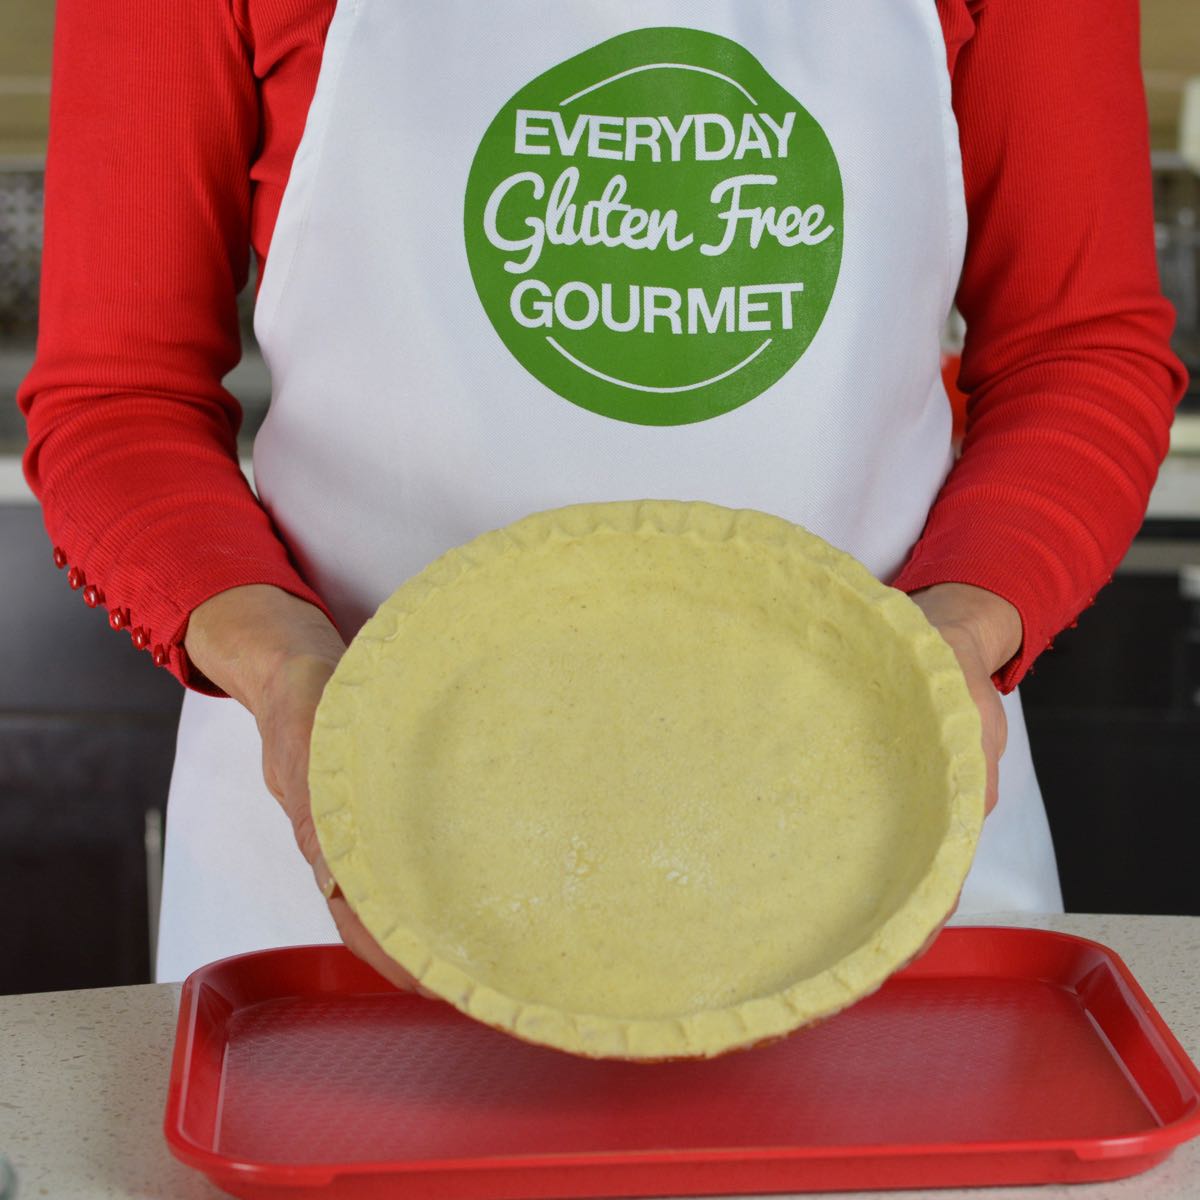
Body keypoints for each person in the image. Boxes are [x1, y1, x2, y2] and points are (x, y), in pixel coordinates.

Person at [17, 0, 1187, 988]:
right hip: (352, 825)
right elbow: (121, 399)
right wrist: (285, 676)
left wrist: (958, 638)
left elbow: (1077, 350)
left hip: (880, 816)